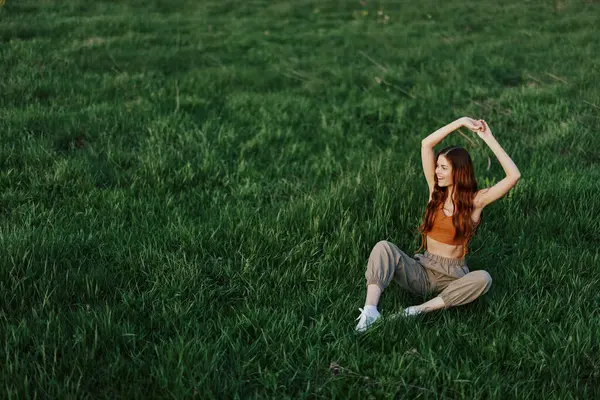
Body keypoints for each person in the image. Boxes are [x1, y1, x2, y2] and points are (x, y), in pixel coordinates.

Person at [355, 117, 521, 332]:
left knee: (483, 278)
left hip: (453, 279)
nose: (437, 172)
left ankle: (414, 311)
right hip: (422, 271)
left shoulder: (475, 202)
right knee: (383, 247)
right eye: (438, 167)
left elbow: (514, 175)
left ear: (458, 172)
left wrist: (487, 136)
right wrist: (460, 122)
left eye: (444, 168)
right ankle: (370, 312)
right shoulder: (435, 191)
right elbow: (426, 144)